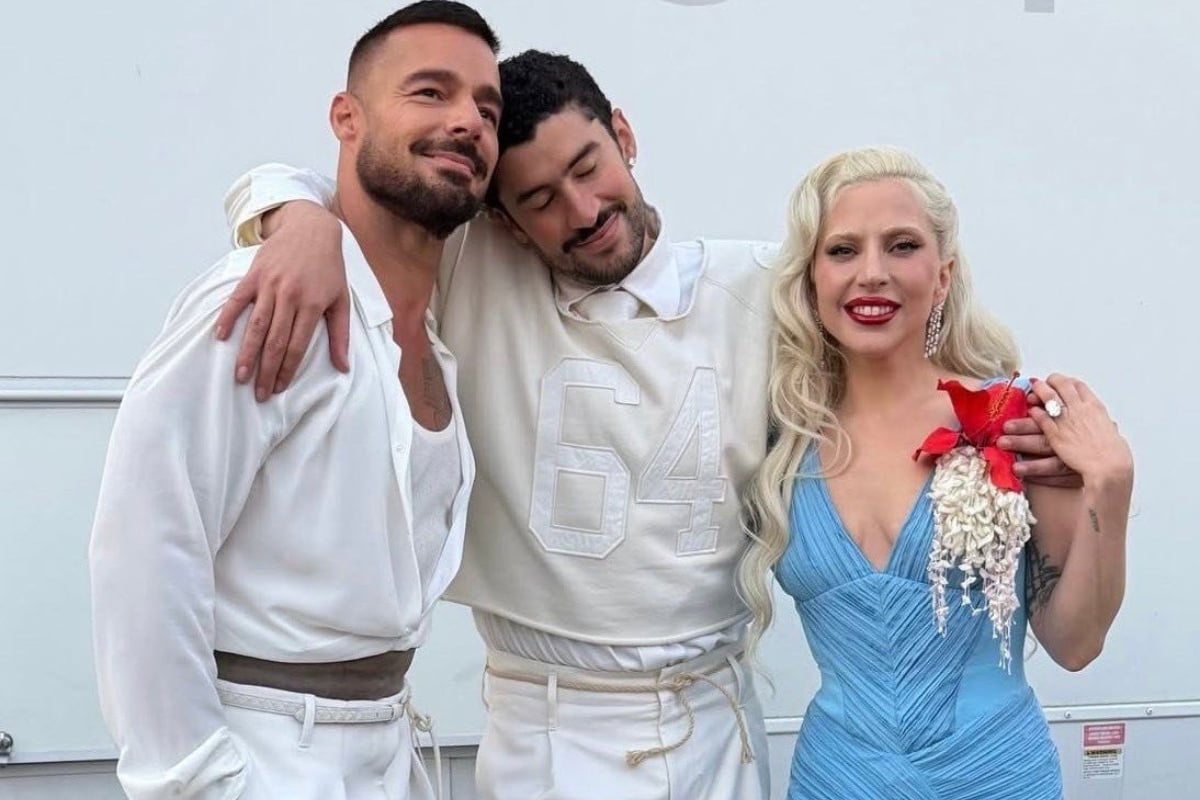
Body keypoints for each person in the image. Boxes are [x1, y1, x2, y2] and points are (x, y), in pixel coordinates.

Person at [215, 55, 1079, 800]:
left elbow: (898, 338)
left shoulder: (766, 291)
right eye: (541, 198)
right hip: (548, 724)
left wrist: (1032, 434)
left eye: (589, 166)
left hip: (717, 717)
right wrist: (296, 216)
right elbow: (356, 189)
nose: (582, 209)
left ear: (624, 135)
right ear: (504, 221)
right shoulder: (472, 271)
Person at [88, 3, 502, 798]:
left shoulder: (440, 324)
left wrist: (296, 208)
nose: (467, 121)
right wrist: (195, 779)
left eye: (487, 108)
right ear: (347, 117)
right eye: (430, 91)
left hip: (386, 749)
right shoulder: (268, 301)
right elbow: (145, 549)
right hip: (263, 751)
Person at [738, 146, 1134, 799]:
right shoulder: (777, 442)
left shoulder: (1015, 419)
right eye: (843, 250)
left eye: (902, 246)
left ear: (942, 276)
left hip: (995, 780)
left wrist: (1110, 485)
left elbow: (1075, 643)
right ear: (811, 280)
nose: (872, 273)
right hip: (836, 782)